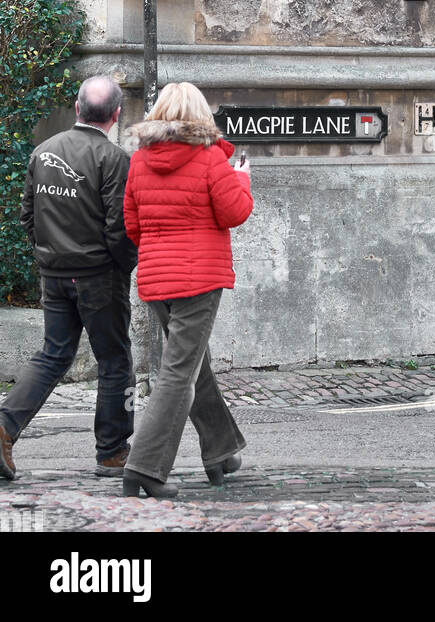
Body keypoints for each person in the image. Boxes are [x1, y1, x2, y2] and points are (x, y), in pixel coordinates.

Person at [0, 76, 138, 483]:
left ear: (78, 109)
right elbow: (120, 228)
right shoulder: (114, 159)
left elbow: (28, 215)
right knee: (115, 361)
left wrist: (49, 255)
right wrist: (123, 266)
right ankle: (112, 451)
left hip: (55, 273)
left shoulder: (43, 152)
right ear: (115, 115)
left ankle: (5, 426)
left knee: (53, 355)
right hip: (98, 276)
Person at [121, 81, 253, 499]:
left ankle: (220, 450)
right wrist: (243, 180)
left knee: (196, 365)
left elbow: (132, 225)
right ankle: (144, 466)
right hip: (198, 280)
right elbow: (235, 212)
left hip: (157, 281)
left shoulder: (140, 160)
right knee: (179, 373)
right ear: (200, 115)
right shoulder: (211, 157)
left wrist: (162, 253)